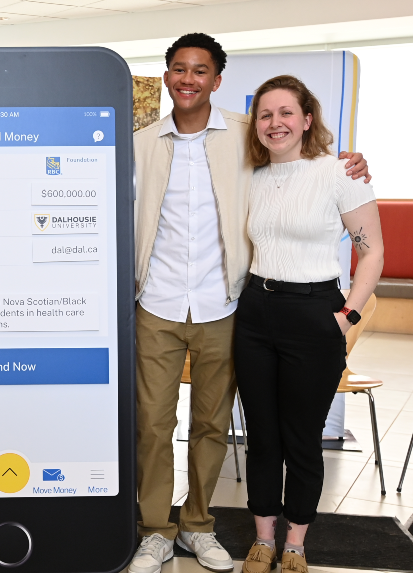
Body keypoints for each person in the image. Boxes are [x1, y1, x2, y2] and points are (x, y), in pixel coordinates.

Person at [129, 33, 371, 573]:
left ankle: (197, 524)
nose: (188, 79)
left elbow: (302, 160)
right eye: (178, 69)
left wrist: (350, 165)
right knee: (151, 424)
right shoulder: (140, 143)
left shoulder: (249, 135)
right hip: (158, 305)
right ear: (167, 76)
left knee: (213, 424)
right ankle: (155, 531)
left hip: (225, 306)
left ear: (217, 81)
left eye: (200, 71)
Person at [235, 75, 383, 573]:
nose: (275, 123)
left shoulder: (340, 173)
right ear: (255, 124)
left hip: (315, 314)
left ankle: (295, 542)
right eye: (265, 115)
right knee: (262, 437)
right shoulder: (249, 175)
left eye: (285, 113)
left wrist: (347, 318)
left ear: (307, 119)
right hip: (255, 312)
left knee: (301, 438)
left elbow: (373, 252)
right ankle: (262, 537)